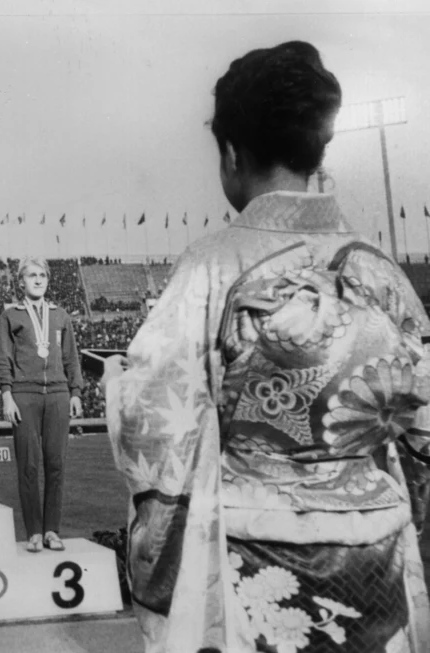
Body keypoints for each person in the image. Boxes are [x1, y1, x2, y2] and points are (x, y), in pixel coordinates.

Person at [104, 41, 430, 652]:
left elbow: (156, 423)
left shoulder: (211, 265)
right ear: (317, 147)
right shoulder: (381, 269)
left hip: (256, 548)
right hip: (378, 543)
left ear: (230, 153)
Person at [0, 257, 84, 552]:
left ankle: (51, 531)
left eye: (42, 275)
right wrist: (7, 394)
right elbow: (3, 358)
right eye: (31, 275)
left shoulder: (60, 316)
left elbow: (72, 357)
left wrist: (76, 392)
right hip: (24, 394)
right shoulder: (11, 316)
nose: (38, 280)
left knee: (56, 465)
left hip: (58, 394)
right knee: (29, 466)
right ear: (21, 281)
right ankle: (34, 531)